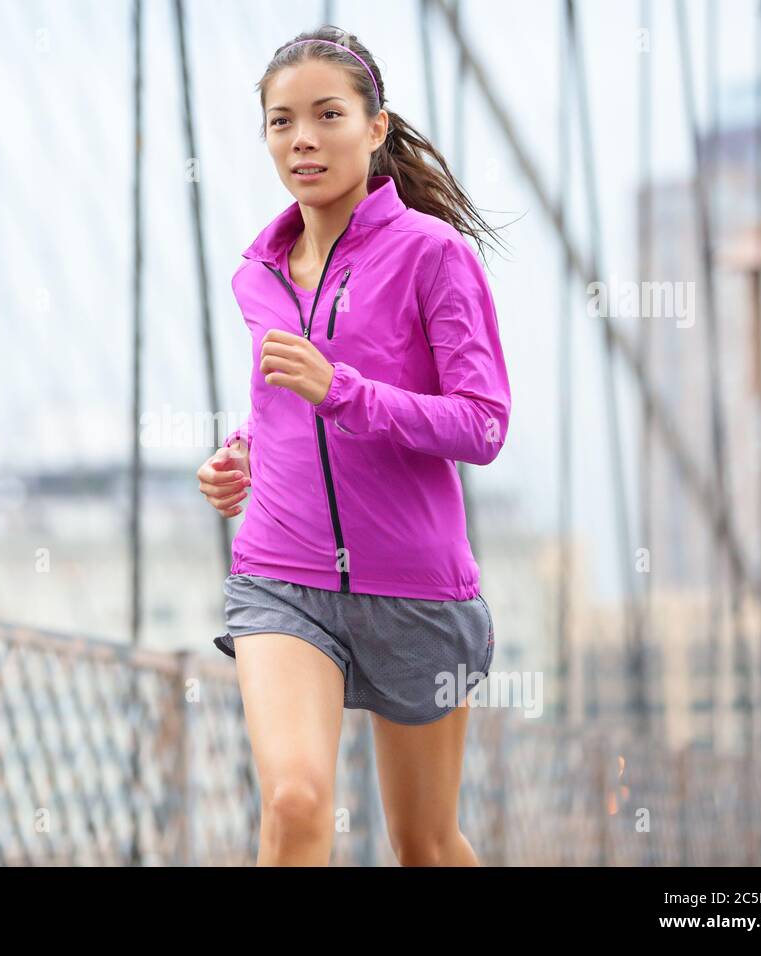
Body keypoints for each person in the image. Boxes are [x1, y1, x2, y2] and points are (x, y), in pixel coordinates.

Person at [196, 25, 512, 867]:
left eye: (327, 115)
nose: (302, 139)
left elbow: (483, 423)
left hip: (416, 589)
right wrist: (241, 457)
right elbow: (280, 408)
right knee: (296, 803)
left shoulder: (434, 257)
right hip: (283, 577)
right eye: (281, 121)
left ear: (375, 127)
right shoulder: (258, 274)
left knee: (425, 845)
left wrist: (343, 391)